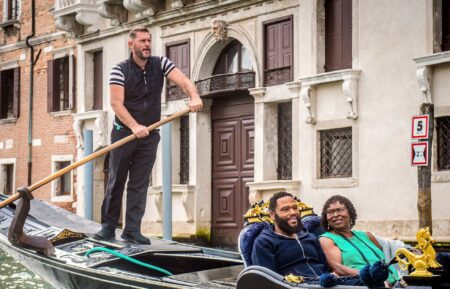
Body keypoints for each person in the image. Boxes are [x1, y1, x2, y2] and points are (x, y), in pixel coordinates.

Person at [94, 26, 203, 244]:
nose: (147, 45)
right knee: (116, 180)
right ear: (131, 44)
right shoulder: (119, 70)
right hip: (124, 133)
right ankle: (107, 227)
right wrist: (134, 126)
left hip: (150, 134)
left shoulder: (160, 63)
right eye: (142, 41)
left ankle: (132, 230)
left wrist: (193, 96)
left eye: (149, 40)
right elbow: (116, 103)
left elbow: (183, 80)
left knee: (139, 183)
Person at [251, 192, 364, 286]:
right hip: (297, 286)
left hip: (328, 283)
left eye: (295, 208)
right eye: (285, 209)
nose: (293, 212)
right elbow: (266, 281)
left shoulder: (310, 237)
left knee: (373, 282)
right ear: (272, 215)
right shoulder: (264, 242)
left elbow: (325, 266)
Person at [319, 195, 400, 287]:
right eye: (330, 212)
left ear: (350, 213)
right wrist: (371, 277)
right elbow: (337, 268)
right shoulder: (327, 239)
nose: (336, 215)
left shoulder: (367, 235)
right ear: (326, 218)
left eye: (340, 210)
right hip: (367, 284)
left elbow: (382, 259)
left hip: (398, 281)